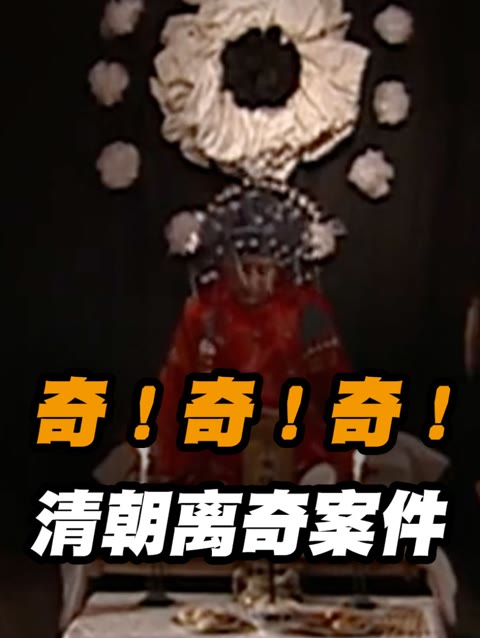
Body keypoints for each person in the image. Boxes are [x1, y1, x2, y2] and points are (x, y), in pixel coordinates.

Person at [150, 180, 353, 485]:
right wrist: (168, 462)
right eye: (244, 269)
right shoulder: (204, 312)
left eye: (263, 271)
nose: (253, 282)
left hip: (296, 446)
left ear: (279, 269)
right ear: (226, 266)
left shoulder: (305, 311)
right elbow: (175, 386)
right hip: (219, 449)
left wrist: (342, 461)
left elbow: (335, 387)